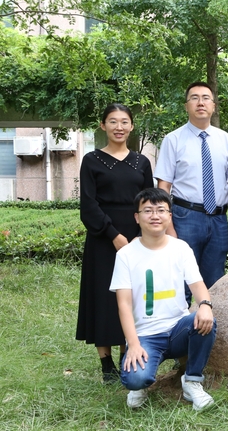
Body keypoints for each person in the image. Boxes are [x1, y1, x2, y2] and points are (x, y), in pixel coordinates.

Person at [111, 188, 217, 410]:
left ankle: (192, 381)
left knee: (206, 320)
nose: (155, 216)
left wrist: (205, 305)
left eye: (161, 210)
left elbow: (197, 285)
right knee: (135, 379)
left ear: (169, 216)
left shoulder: (181, 248)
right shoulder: (126, 255)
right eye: (148, 210)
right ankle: (140, 386)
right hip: (145, 335)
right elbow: (124, 305)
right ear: (137, 217)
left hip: (178, 329)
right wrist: (133, 344)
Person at [76, 103, 153, 382]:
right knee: (103, 296)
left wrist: (140, 234)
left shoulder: (141, 162)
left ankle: (126, 355)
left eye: (124, 122)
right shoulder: (92, 160)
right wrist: (113, 235)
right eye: (112, 121)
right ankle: (106, 363)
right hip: (102, 239)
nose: (119, 127)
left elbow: (149, 201)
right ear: (103, 125)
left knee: (131, 295)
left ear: (131, 126)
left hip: (136, 238)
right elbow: (88, 205)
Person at [154, 82, 228, 304]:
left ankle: (210, 326)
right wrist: (168, 226)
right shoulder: (173, 139)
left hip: (219, 219)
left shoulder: (226, 140)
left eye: (206, 98)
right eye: (194, 98)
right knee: (182, 282)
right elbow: (163, 186)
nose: (201, 103)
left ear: (214, 106)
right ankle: (179, 325)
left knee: (215, 283)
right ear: (186, 105)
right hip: (185, 217)